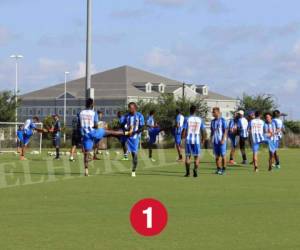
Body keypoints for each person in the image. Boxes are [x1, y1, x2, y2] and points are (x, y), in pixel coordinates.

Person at [80, 98, 129, 176]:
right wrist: (98, 126)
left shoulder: (81, 113)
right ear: (92, 104)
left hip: (85, 134)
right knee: (109, 132)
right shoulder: (93, 113)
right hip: (93, 132)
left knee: (86, 153)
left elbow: (80, 124)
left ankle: (86, 171)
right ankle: (126, 132)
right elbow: (95, 125)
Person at [182, 105, 206, 177]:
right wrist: (203, 139)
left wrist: (182, 138)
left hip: (188, 139)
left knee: (187, 156)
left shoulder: (187, 119)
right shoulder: (200, 119)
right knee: (197, 157)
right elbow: (203, 130)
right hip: (197, 140)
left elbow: (184, 130)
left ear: (190, 111)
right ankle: (195, 169)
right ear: (196, 111)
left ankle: (188, 173)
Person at [123, 102, 145, 177]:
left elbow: (142, 127)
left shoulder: (140, 116)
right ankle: (126, 153)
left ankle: (133, 170)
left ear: (135, 108)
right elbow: (122, 125)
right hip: (128, 137)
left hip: (135, 137)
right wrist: (126, 130)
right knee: (123, 143)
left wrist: (134, 132)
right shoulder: (127, 116)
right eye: (129, 107)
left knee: (134, 154)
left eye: (131, 108)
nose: (129, 109)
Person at [210, 107, 227, 175]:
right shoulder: (212, 121)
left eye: (214, 112)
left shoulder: (223, 120)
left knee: (223, 155)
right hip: (215, 141)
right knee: (217, 156)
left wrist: (223, 139)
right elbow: (212, 131)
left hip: (221, 141)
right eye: (212, 112)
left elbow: (225, 130)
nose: (213, 113)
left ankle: (223, 169)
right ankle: (218, 169)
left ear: (218, 112)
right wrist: (211, 138)